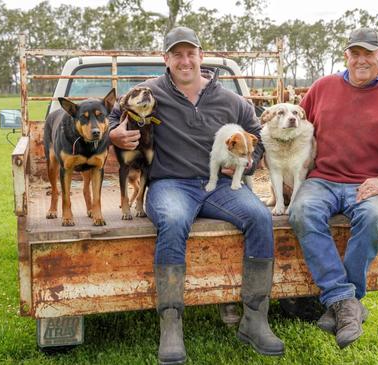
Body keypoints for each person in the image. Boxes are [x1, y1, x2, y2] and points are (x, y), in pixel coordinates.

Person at [109, 26, 284, 364]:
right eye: (177, 54)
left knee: (260, 216)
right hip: (170, 183)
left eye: (191, 53)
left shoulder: (230, 100)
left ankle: (255, 318)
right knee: (173, 220)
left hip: (218, 186)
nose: (185, 60)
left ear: (202, 57)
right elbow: (115, 117)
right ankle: (171, 324)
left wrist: (247, 165)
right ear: (166, 59)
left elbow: (258, 137)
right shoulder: (149, 92)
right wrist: (116, 135)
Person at [289, 28, 378, 349]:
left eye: (369, 54)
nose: (361, 60)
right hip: (323, 179)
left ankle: (340, 303)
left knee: (371, 217)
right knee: (301, 210)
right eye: (355, 53)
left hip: (370, 184)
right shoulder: (323, 88)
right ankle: (347, 301)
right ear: (346, 56)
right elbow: (299, 128)